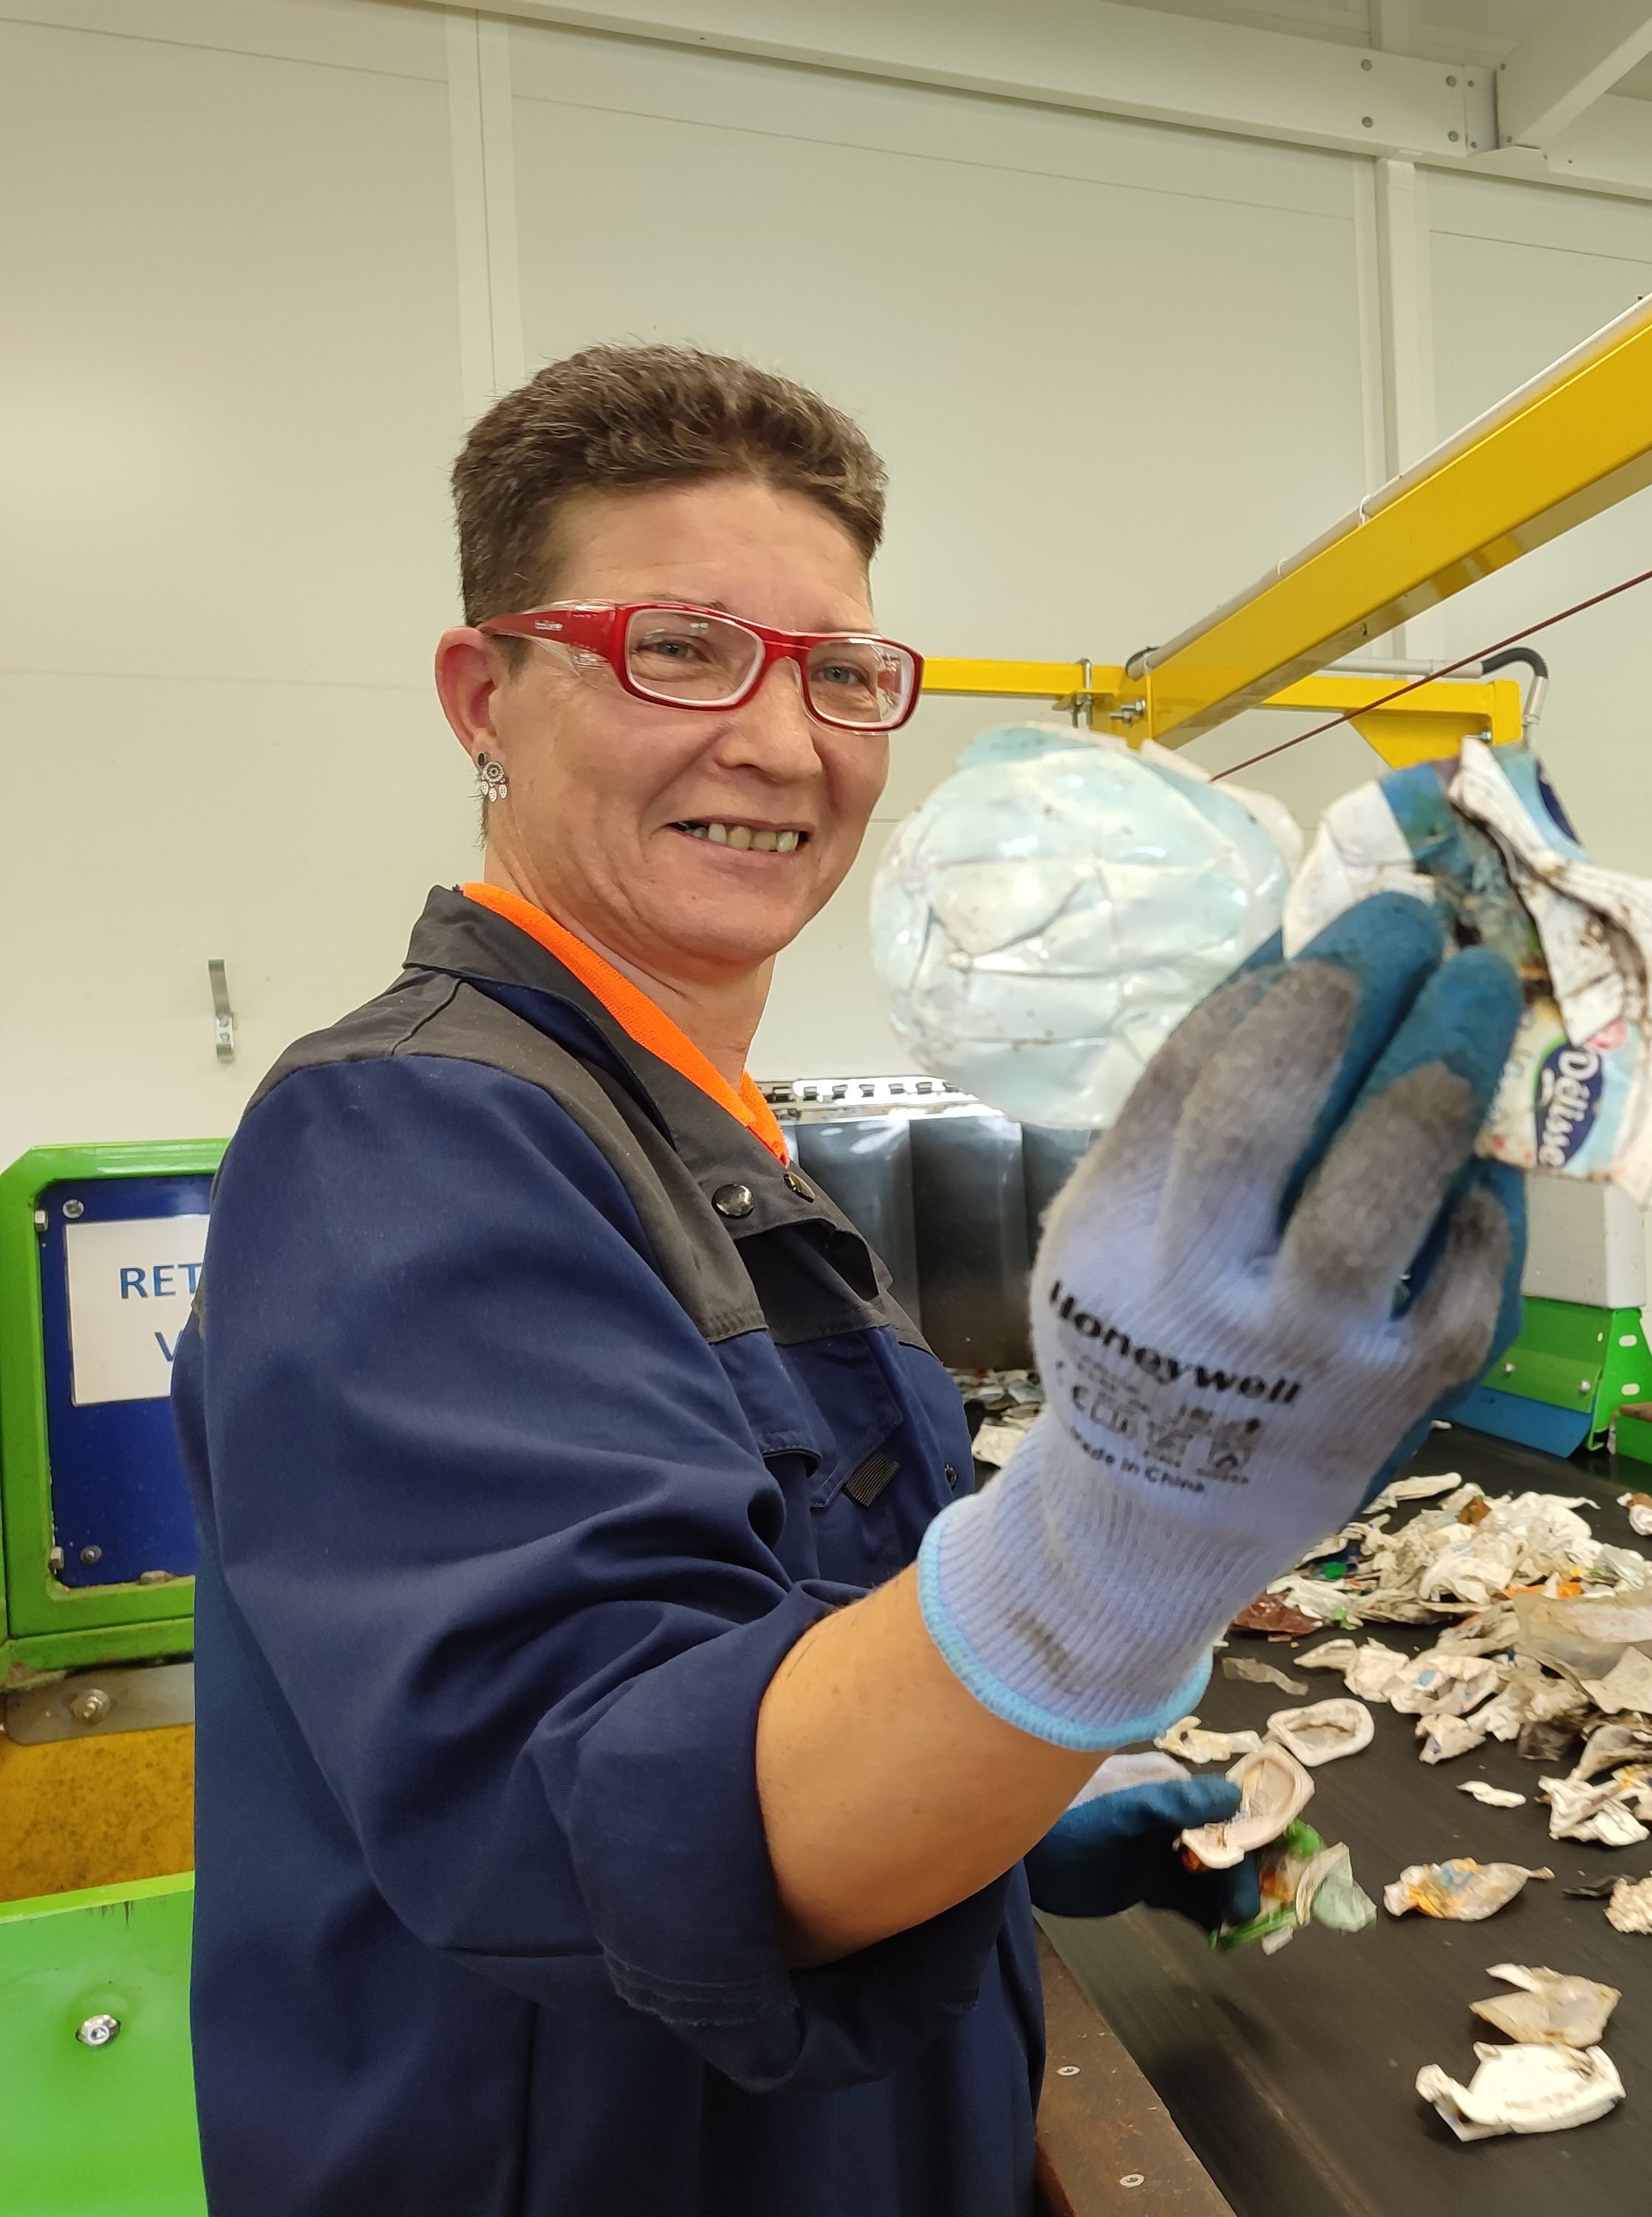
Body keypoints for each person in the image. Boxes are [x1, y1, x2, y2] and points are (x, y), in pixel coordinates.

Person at [169, 344, 1524, 2215]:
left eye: (840, 673)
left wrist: (995, 1827)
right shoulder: (408, 1141)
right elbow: (599, 1825)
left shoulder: (710, 1136)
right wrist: (1129, 1516)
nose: (783, 743)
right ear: (485, 693)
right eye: (683, 650)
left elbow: (771, 1644)